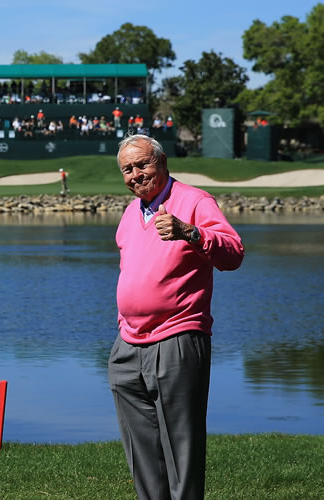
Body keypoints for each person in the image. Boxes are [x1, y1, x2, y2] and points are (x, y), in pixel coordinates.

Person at [108, 134, 244, 500]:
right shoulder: (130, 212)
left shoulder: (193, 201)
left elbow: (233, 253)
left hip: (177, 338)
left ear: (163, 162)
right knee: (141, 454)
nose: (135, 174)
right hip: (128, 344)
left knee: (181, 451)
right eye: (127, 169)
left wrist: (190, 232)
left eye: (142, 164)